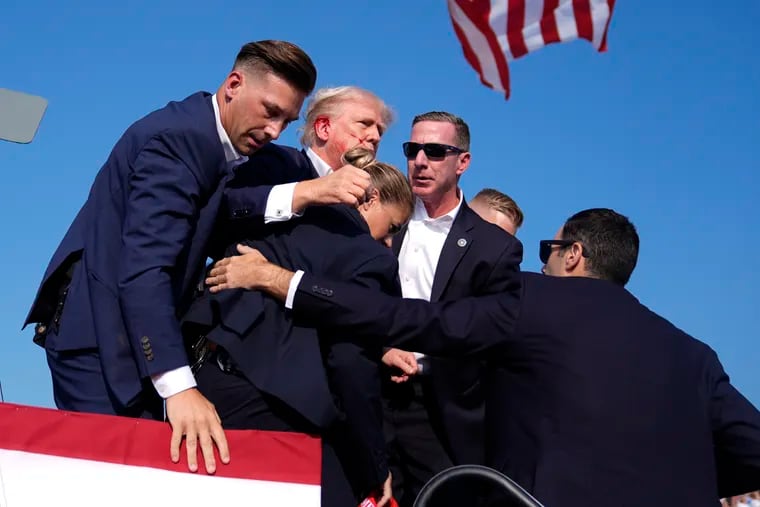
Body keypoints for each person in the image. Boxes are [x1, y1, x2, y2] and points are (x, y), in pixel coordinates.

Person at [208, 208, 760, 506]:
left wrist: (286, 282)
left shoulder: (530, 300)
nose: (542, 263)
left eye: (549, 250)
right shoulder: (696, 356)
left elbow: (411, 319)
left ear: (573, 255)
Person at [24, 40, 323, 474]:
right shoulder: (179, 141)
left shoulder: (210, 139)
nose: (275, 131)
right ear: (233, 84)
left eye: (287, 120)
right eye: (270, 111)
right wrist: (179, 386)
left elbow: (219, 207)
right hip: (99, 345)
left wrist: (303, 194)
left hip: (128, 345)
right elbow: (145, 269)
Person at [185, 147, 413, 506]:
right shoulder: (371, 259)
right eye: (393, 228)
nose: (389, 243)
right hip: (273, 407)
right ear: (371, 200)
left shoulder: (286, 217)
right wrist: (375, 462)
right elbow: (350, 361)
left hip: (201, 381)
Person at [366, 111, 522, 505]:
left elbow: (492, 337)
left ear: (463, 162)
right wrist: (381, 348)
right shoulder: (379, 218)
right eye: (412, 149)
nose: (420, 160)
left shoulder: (494, 247)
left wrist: (426, 363)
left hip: (442, 412)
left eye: (435, 151)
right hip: (368, 394)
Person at [216, 85, 392, 251]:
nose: (375, 137)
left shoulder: (368, 203)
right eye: (364, 123)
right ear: (323, 128)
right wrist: (310, 191)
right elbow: (225, 207)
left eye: (380, 131)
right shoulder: (279, 162)